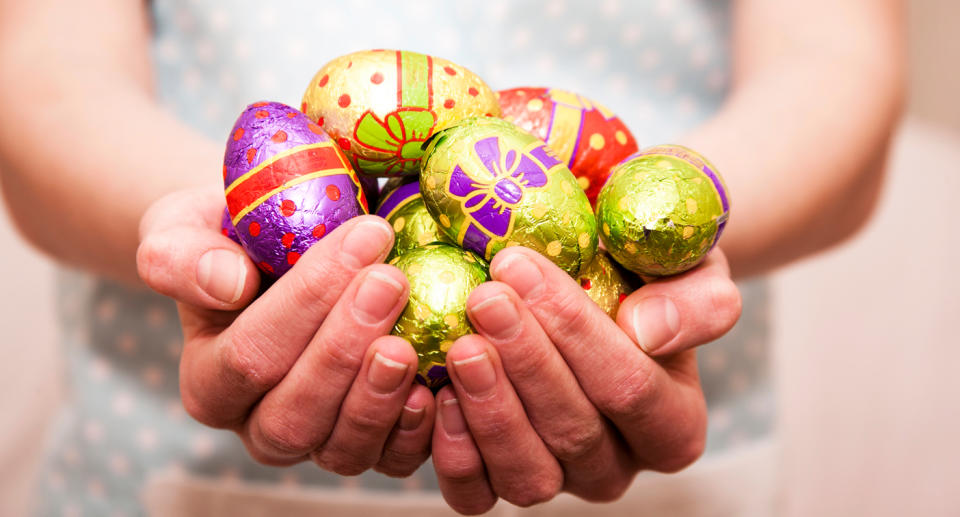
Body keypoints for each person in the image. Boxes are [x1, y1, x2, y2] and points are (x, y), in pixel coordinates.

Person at [0, 0, 904, 515]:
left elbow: (834, 57)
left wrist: (660, 239)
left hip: (653, 394)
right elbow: (45, 71)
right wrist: (231, 231)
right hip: (159, 444)